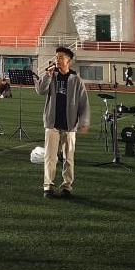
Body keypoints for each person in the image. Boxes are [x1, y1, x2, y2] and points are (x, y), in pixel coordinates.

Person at [35, 46, 90, 199]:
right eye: (56, 57)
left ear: (69, 60)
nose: (57, 60)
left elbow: (83, 103)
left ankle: (67, 187)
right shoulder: (51, 75)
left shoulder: (76, 80)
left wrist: (84, 122)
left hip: (70, 124)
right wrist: (47, 76)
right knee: (50, 157)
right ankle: (48, 186)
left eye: (61, 57)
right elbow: (40, 90)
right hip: (52, 123)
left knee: (69, 158)